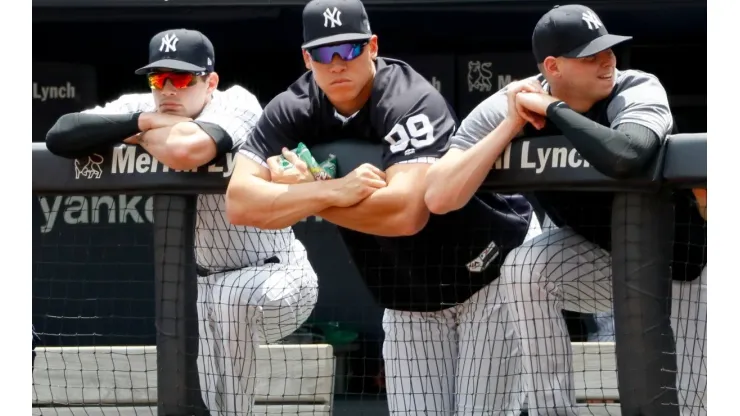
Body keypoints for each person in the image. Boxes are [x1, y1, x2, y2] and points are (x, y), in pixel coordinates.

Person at [225, 0, 535, 413]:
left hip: (486, 269)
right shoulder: (293, 108)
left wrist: (310, 191)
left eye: (349, 50)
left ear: (372, 46)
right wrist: (331, 191)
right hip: (408, 294)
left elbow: (406, 213)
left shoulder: (409, 97)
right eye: (322, 53)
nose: (336, 63)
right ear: (306, 57)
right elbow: (241, 203)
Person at [424, 4, 706, 416]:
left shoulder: (637, 87)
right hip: (602, 260)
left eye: (608, 50)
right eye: (590, 55)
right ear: (553, 67)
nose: (606, 61)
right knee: (525, 268)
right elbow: (438, 196)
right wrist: (510, 125)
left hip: (685, 265)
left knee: (692, 403)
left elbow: (630, 155)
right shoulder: (515, 100)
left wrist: (553, 110)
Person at [44, 28, 319, 416]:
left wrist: (136, 133)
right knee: (212, 396)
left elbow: (187, 150)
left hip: (279, 277)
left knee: (231, 296)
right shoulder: (146, 105)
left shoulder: (236, 102)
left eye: (183, 78)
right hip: (208, 290)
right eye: (159, 78)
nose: (169, 89)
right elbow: (60, 135)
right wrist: (141, 117)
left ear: (211, 82)